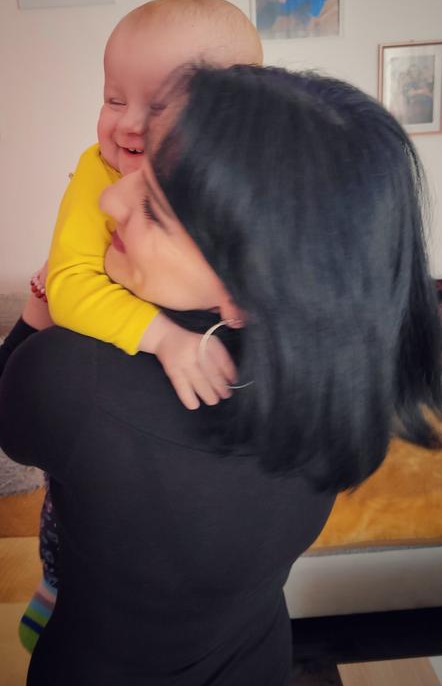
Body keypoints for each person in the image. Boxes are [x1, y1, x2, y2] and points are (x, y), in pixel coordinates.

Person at [1, 63, 441, 685]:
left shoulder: (72, 378)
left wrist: (43, 302)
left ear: (248, 292)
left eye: (153, 208)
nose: (109, 198)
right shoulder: (337, 391)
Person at [0, 0, 263, 653]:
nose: (126, 126)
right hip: (102, 377)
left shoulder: (243, 191)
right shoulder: (97, 170)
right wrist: (162, 336)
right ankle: (55, 583)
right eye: (113, 99)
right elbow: (68, 286)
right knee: (68, 514)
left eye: (160, 106)